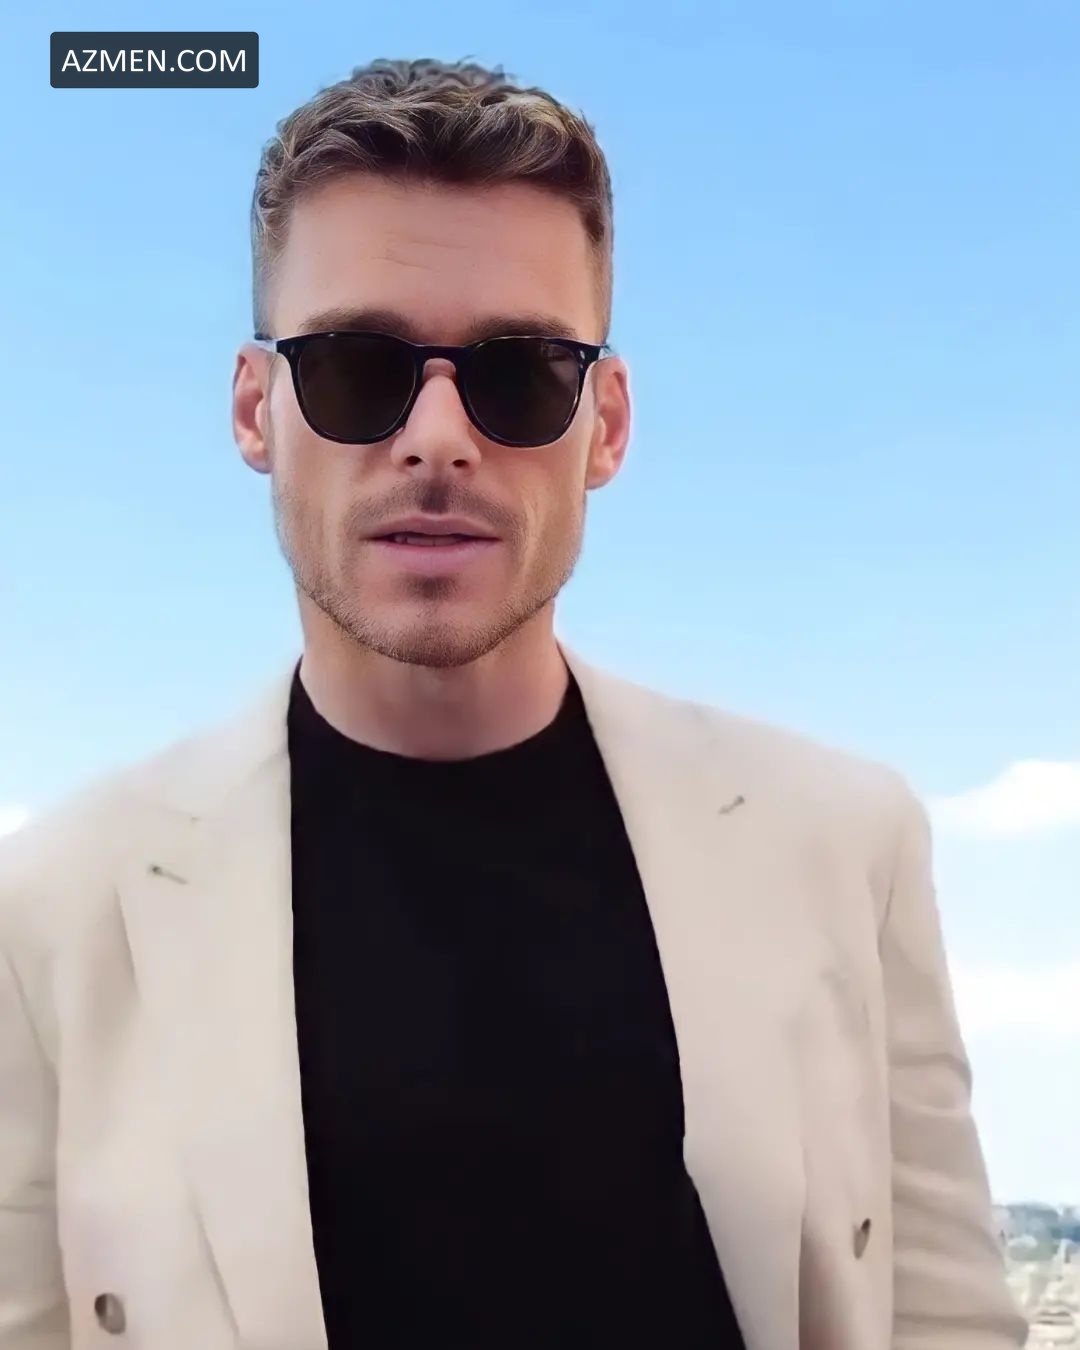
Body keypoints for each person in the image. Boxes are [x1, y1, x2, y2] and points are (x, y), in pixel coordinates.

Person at [0, 57, 1026, 1350]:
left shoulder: (841, 842)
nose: (438, 436)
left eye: (521, 371)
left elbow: (946, 1320)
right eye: (357, 366)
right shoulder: (59, 910)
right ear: (257, 411)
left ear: (607, 424)